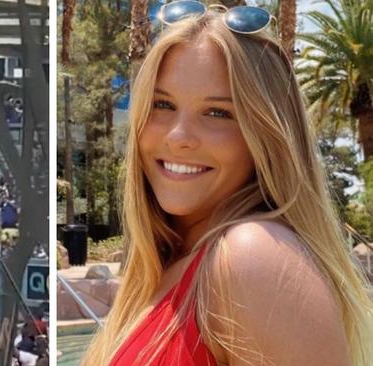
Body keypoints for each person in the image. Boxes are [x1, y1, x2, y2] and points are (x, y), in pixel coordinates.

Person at [82, 3, 373, 366]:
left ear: (266, 136)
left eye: (217, 112)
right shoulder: (171, 265)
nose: (179, 136)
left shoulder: (251, 257)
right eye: (162, 104)